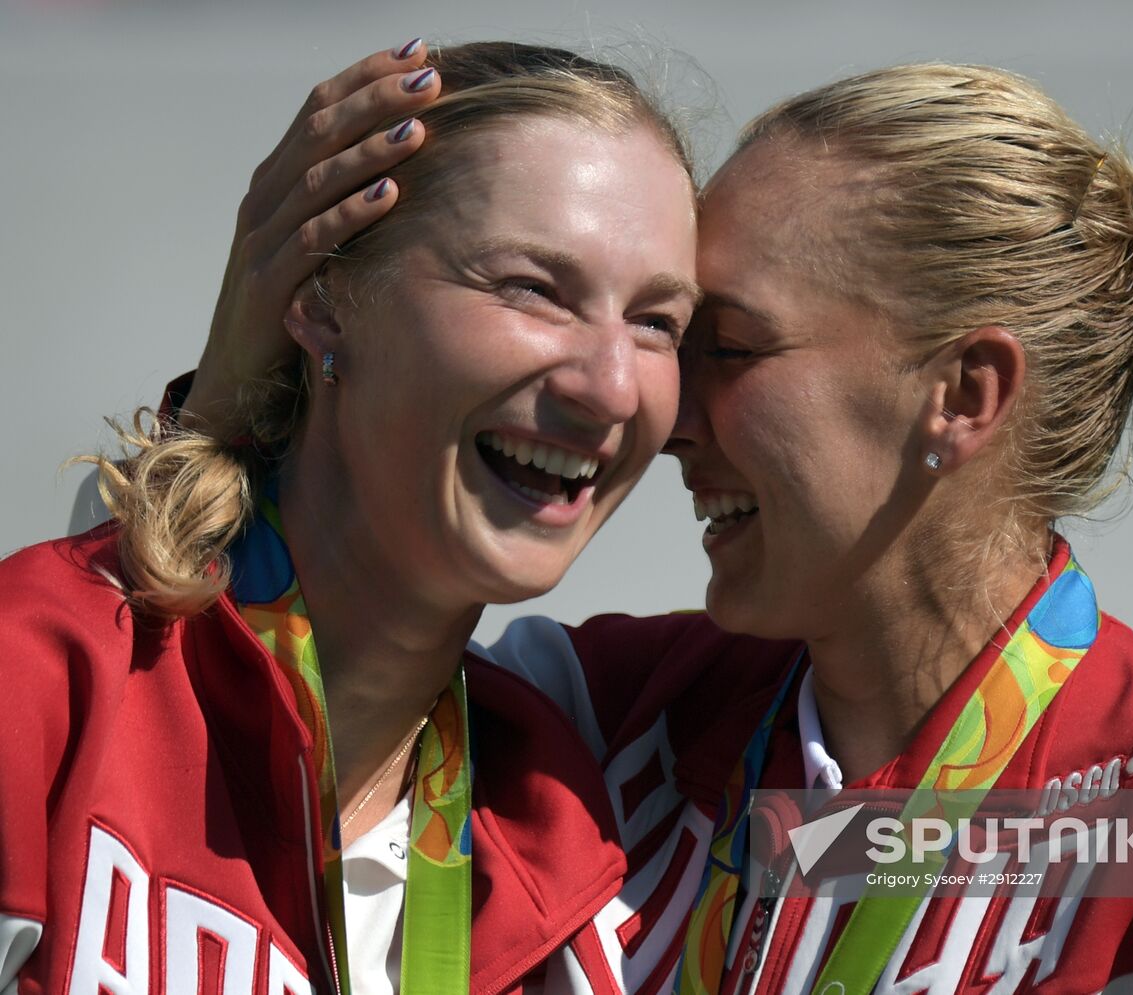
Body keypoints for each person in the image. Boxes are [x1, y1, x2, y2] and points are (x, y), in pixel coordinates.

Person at [102, 53, 1133, 995]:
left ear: (963, 392)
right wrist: (235, 400)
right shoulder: (601, 720)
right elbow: (190, 720)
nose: (663, 416)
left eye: (725, 344)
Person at [0, 40, 712, 995]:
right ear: (327, 298)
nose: (613, 387)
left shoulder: (570, 818)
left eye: (658, 322)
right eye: (535, 290)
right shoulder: (43, 677)